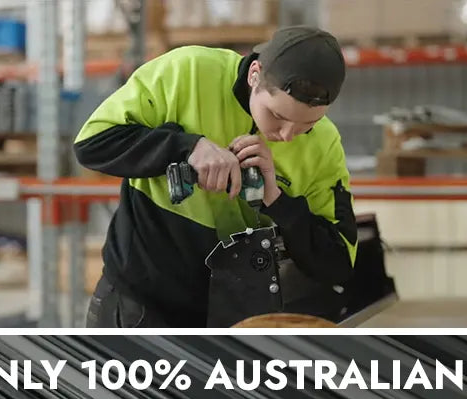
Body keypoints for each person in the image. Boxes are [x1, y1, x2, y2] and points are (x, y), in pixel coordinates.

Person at [75, 26, 356, 328]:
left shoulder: (324, 145)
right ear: (255, 75)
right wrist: (186, 147)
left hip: (236, 319)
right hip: (140, 305)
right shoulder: (188, 72)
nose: (287, 136)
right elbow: (92, 145)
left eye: (307, 124)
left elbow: (337, 264)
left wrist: (278, 200)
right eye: (277, 116)